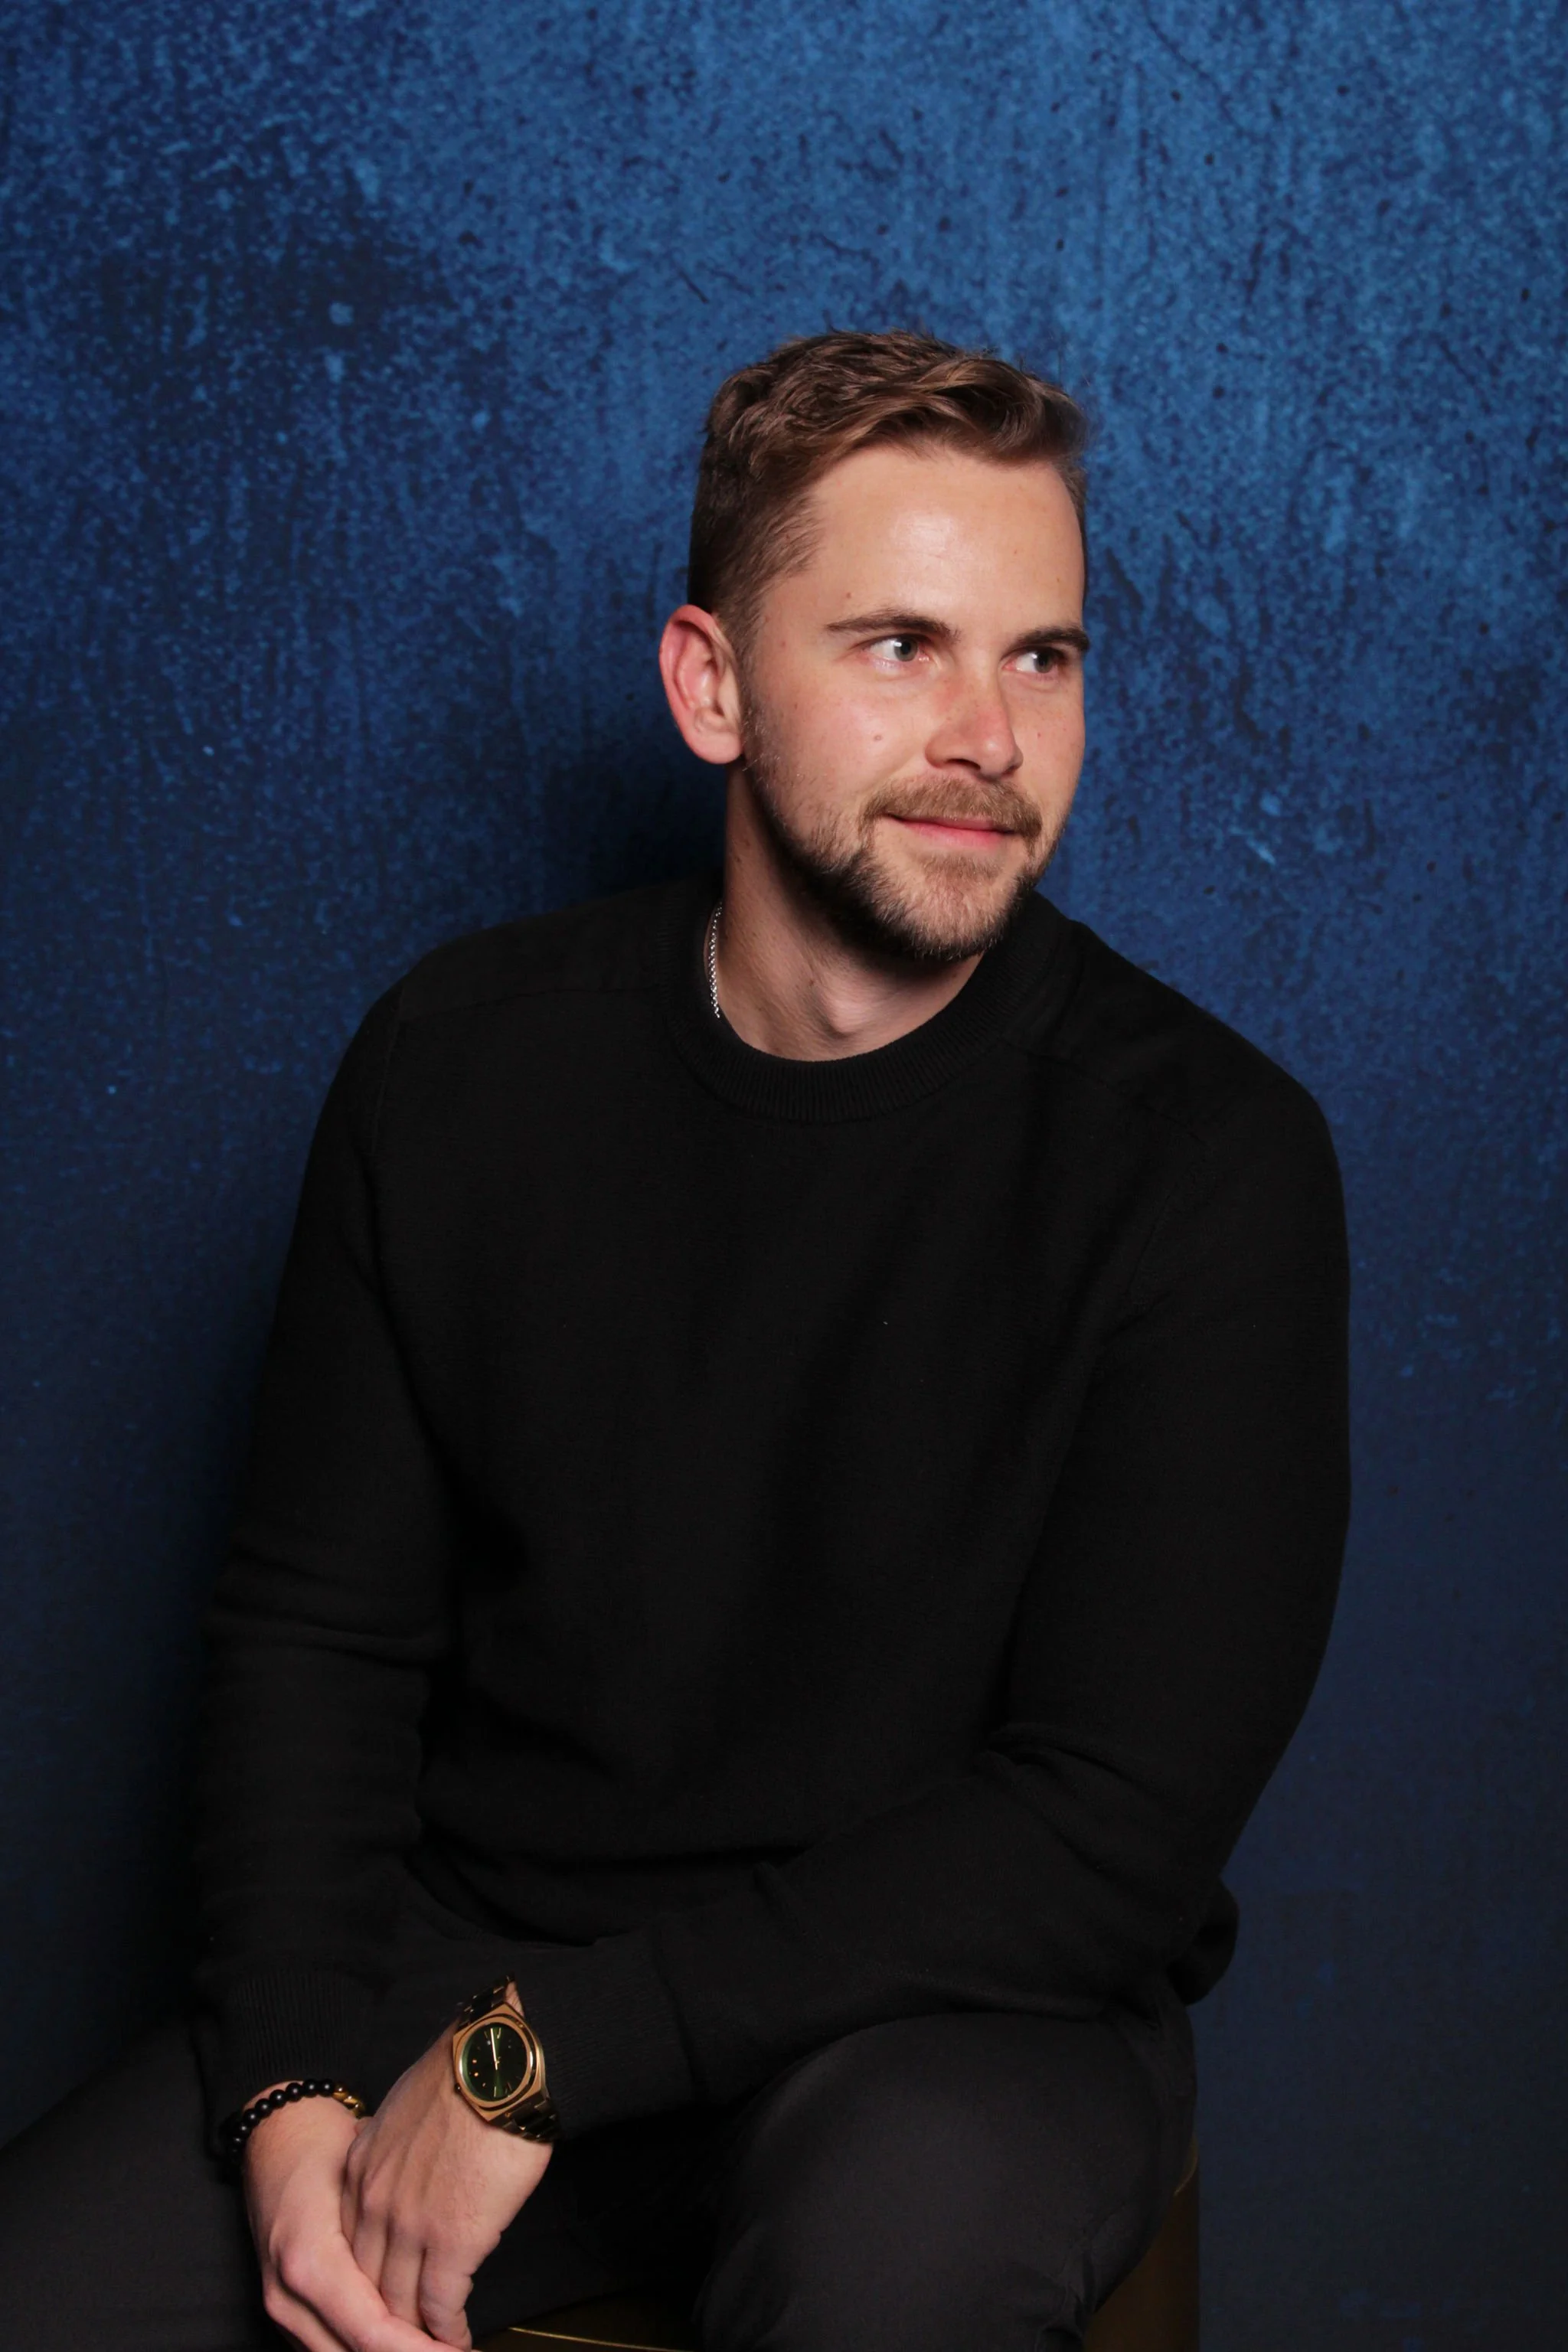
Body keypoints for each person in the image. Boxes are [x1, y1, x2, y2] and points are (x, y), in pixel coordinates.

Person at [0, 330, 1349, 2352]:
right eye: (900, 646)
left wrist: (535, 2064)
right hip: (482, 1958)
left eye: (1044, 657)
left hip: (948, 2023)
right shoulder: (460, 1061)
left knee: (892, 2259)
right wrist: (287, 2087)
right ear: (710, 684)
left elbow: (1104, 1828)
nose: (991, 734)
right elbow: (315, 1638)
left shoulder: (1205, 1157)